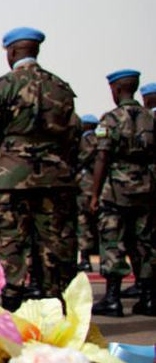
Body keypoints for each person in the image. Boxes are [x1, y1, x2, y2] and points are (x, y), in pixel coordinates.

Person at [0, 27, 79, 311]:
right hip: (55, 178)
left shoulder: (2, 86)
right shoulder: (61, 87)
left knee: (11, 243)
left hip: (10, 179)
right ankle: (53, 308)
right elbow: (72, 138)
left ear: (12, 52)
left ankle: (12, 308)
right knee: (53, 244)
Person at [89, 70, 155, 317]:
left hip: (116, 189)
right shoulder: (150, 118)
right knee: (145, 242)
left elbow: (102, 156)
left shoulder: (111, 119)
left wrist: (94, 194)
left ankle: (113, 298)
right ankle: (148, 297)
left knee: (112, 241)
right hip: (146, 187)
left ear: (116, 90)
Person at [76, 114, 100, 274]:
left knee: (83, 222)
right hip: (100, 188)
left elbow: (81, 159)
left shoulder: (85, 140)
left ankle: (85, 260)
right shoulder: (100, 140)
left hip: (85, 187)